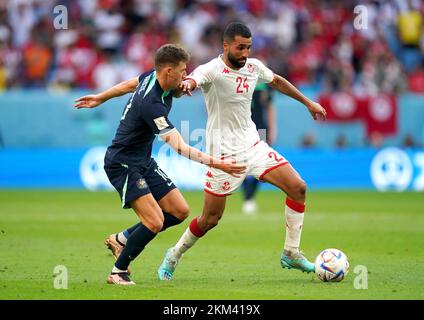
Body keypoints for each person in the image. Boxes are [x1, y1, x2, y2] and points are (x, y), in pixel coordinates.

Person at [156, 22, 327, 281]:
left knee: (298, 188)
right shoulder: (212, 69)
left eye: (248, 47)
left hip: (253, 145)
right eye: (240, 48)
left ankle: (291, 252)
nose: (245, 53)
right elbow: (194, 78)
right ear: (226, 46)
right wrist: (189, 84)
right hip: (223, 157)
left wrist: (308, 103)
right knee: (209, 220)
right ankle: (174, 253)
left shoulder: (254, 67)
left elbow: (278, 81)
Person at [74, 44, 246, 285]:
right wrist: (218, 164)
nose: (185, 76)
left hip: (143, 160)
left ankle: (121, 239)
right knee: (154, 221)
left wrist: (99, 98)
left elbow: (127, 85)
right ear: (167, 71)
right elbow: (180, 147)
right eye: (182, 71)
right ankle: (118, 272)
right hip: (122, 164)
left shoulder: (150, 77)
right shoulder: (152, 105)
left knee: (179, 211)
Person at [242, 83, 276, 214]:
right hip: (242, 130)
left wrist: (272, 129)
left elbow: (270, 107)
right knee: (243, 164)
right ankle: (248, 198)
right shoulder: (236, 79)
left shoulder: (262, 83)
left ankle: (249, 198)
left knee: (260, 164)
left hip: (260, 128)